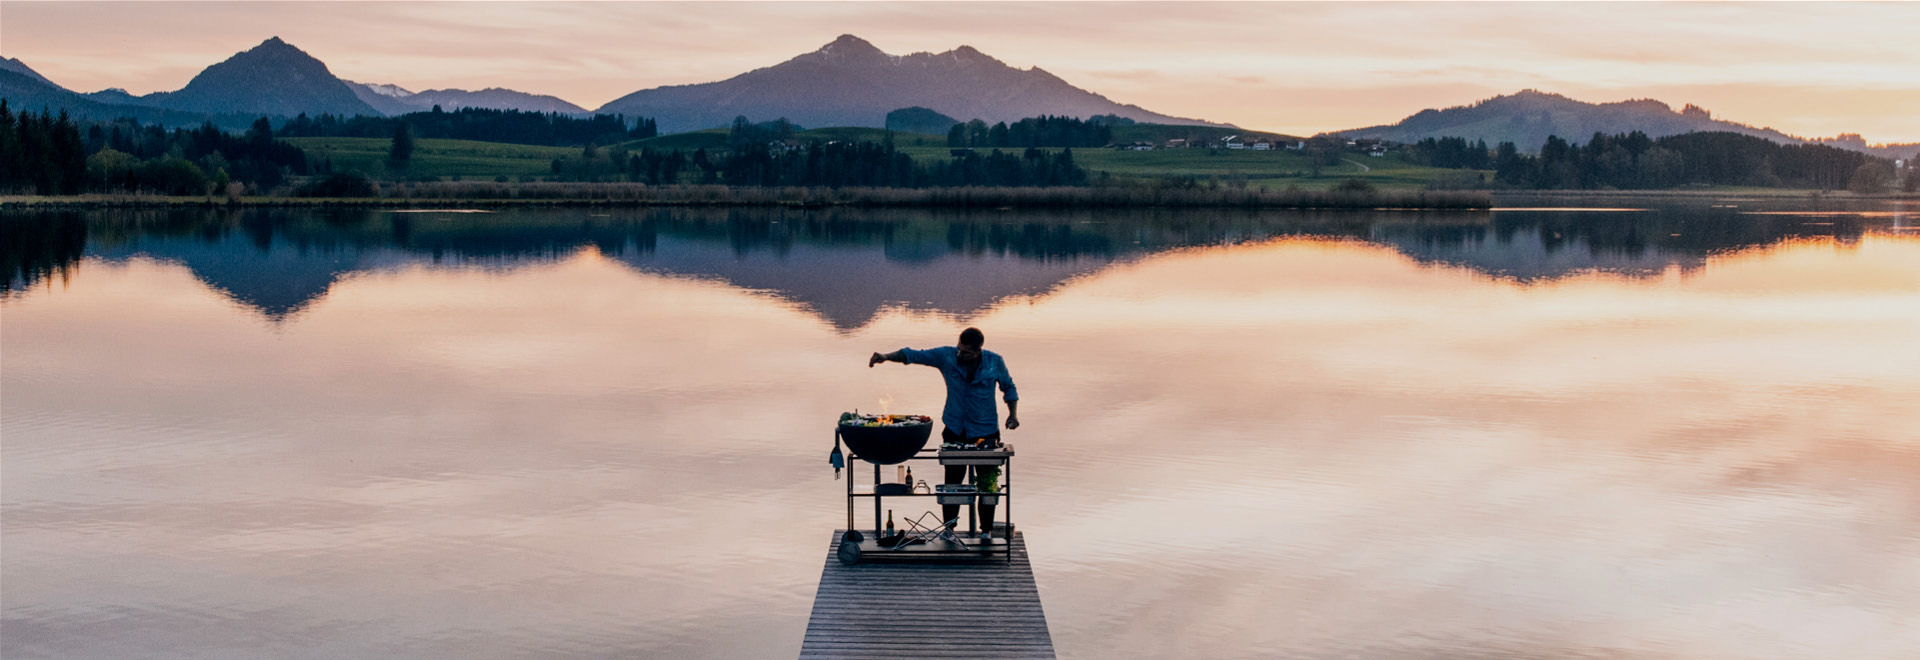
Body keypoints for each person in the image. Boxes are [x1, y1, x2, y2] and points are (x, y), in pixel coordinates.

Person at [869, 327, 1019, 540]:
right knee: (952, 484)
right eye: (959, 349)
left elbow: (1009, 388)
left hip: (985, 431)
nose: (960, 355)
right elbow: (914, 355)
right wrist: (885, 356)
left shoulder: (995, 362)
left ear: (978, 351)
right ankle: (949, 529)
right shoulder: (947, 356)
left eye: (966, 352)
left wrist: (1013, 414)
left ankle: (985, 531)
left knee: (987, 484)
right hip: (955, 430)